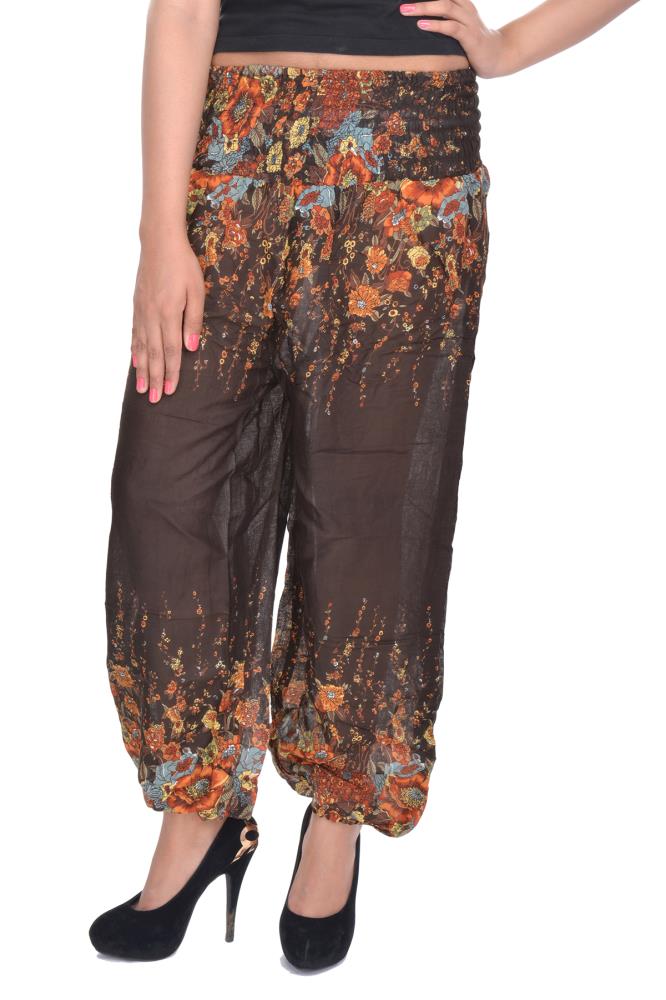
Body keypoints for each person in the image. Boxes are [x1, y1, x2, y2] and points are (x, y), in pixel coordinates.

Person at [89, 0, 640, 969]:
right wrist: (160, 232)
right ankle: (199, 814)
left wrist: (510, 45)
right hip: (234, 144)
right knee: (163, 495)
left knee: (369, 516)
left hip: (409, 156)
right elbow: (183, 8)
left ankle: (337, 818)